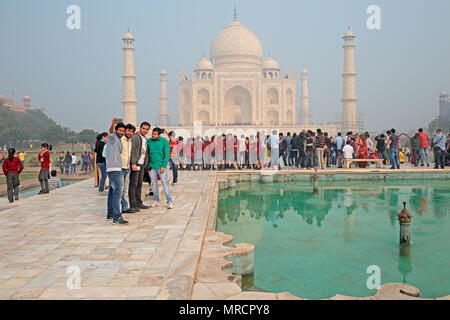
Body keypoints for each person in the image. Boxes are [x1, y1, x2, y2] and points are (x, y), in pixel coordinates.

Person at [106, 119, 128, 224]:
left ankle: (110, 213)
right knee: (117, 192)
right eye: (120, 130)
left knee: (112, 191)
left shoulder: (119, 139)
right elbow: (110, 133)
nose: (121, 133)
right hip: (114, 168)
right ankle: (117, 217)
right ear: (116, 130)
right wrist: (112, 124)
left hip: (114, 168)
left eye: (123, 131)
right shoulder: (113, 137)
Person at [148, 127, 174, 209]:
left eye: (155, 134)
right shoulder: (149, 141)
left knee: (164, 183)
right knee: (154, 184)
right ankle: (156, 200)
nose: (153, 135)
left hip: (161, 166)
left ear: (159, 135)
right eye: (152, 133)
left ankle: (169, 201)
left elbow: (166, 155)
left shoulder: (164, 141)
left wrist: (163, 166)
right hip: (151, 166)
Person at [129, 121, 151, 212]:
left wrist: (146, 164)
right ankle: (133, 205)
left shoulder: (144, 138)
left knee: (139, 184)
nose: (145, 130)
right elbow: (132, 150)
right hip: (136, 164)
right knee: (133, 184)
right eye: (143, 128)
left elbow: (145, 152)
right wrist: (133, 163)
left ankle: (139, 203)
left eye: (146, 129)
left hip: (141, 164)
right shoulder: (135, 137)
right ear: (140, 128)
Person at [115, 123, 135, 213]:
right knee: (120, 189)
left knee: (125, 189)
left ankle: (125, 207)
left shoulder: (130, 141)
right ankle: (118, 208)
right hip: (120, 168)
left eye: (132, 132)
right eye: (128, 131)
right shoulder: (120, 140)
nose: (130, 133)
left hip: (127, 168)